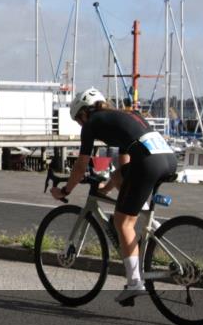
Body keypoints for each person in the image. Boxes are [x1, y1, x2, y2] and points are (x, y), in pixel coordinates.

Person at [50, 88, 177, 304]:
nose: (81, 125)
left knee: (122, 223)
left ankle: (135, 283)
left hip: (148, 163)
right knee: (120, 177)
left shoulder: (92, 123)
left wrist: (65, 190)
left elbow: (81, 165)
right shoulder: (121, 116)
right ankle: (150, 221)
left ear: (83, 113)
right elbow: (124, 163)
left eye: (79, 121)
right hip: (168, 159)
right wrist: (107, 188)